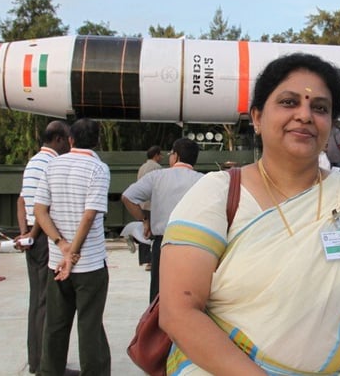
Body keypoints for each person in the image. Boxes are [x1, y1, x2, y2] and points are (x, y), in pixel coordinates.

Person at [160, 53, 340, 374]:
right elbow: (179, 311)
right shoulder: (216, 195)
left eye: (319, 108)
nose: (305, 115)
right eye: (289, 102)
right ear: (256, 117)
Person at [33, 118, 111, 376]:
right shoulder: (97, 169)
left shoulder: (52, 166)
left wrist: (61, 245)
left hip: (57, 263)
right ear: (97, 141)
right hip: (88, 265)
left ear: (71, 140)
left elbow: (40, 211)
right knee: (89, 326)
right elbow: (89, 215)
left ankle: (48, 372)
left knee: (55, 325)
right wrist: (74, 252)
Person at [14, 120, 70, 375]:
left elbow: (22, 199)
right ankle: (48, 365)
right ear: (58, 139)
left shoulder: (33, 161)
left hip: (32, 240)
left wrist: (24, 234)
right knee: (48, 303)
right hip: (44, 241)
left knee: (37, 301)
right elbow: (41, 206)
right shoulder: (51, 163)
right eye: (67, 139)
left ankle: (36, 362)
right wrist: (36, 234)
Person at [121, 137, 204, 303]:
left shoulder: (157, 176)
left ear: (176, 156)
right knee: (190, 296)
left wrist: (145, 220)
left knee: (159, 296)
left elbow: (127, 197)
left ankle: (158, 327)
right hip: (194, 245)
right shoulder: (203, 180)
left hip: (164, 244)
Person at [134, 145, 164, 270]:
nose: (161, 157)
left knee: (144, 231)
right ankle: (152, 260)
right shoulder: (157, 168)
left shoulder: (142, 167)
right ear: (156, 155)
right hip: (152, 204)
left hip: (142, 204)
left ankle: (145, 258)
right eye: (160, 155)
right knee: (155, 232)